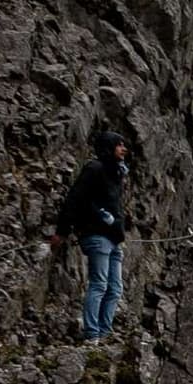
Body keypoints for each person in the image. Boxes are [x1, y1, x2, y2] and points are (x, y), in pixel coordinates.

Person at [59, 129, 134, 341]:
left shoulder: (115, 172)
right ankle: (92, 334)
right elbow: (75, 199)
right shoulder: (95, 168)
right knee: (99, 285)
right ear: (109, 147)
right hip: (97, 235)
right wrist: (62, 231)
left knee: (115, 289)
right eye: (119, 145)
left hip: (113, 238)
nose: (123, 149)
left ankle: (104, 332)